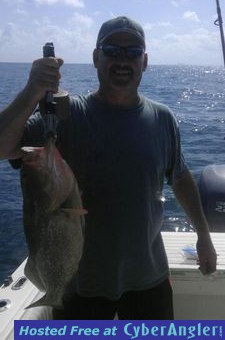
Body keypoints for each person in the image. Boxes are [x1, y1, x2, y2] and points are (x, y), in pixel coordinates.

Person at [0, 16, 217, 320]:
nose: (122, 60)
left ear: (145, 61)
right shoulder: (67, 117)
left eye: (132, 53)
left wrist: (204, 236)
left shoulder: (163, 119)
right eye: (112, 50)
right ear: (95, 58)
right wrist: (32, 91)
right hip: (78, 284)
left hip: (149, 278)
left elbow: (179, 177)